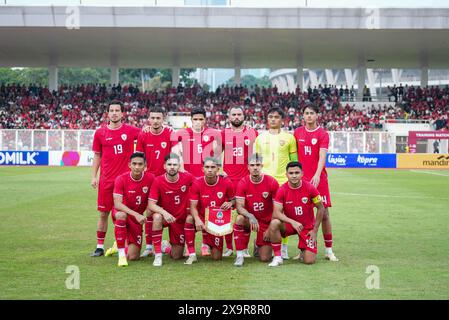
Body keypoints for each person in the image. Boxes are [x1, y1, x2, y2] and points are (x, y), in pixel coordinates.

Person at [90, 100, 141, 257]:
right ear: (107, 113)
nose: (114, 113)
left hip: (125, 182)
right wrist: (94, 176)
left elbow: (146, 134)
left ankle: (125, 244)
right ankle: (99, 246)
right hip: (106, 180)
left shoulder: (131, 130)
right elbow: (97, 156)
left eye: (117, 110)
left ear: (122, 113)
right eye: (111, 110)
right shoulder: (100, 133)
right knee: (103, 213)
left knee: (125, 214)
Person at [173, 107, 222, 256]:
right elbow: (176, 154)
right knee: (189, 214)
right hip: (189, 182)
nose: (198, 122)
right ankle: (189, 246)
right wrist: (183, 172)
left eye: (201, 119)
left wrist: (220, 171)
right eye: (195, 119)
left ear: (205, 120)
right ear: (191, 120)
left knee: (206, 212)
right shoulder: (183, 134)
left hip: (207, 182)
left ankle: (205, 244)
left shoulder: (213, 135)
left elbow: (217, 157)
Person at [294, 105, 338, 261]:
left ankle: (329, 250)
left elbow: (322, 156)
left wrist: (317, 175)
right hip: (302, 181)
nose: (309, 116)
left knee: (324, 213)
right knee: (304, 216)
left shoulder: (322, 134)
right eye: (306, 113)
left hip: (319, 180)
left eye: (312, 113)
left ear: (317, 115)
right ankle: (303, 249)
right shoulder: (297, 132)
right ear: (303, 116)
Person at [254, 106, 298, 260]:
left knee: (282, 215)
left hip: (282, 182)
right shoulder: (260, 138)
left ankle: (283, 247)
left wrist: (293, 179)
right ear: (267, 119)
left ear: (282, 120)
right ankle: (259, 242)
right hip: (264, 181)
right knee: (263, 212)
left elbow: (294, 162)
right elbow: (256, 161)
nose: (273, 119)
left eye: (276, 117)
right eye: (270, 116)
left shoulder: (289, 138)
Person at [136, 106, 178, 258]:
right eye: (152, 118)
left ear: (163, 119)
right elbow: (139, 158)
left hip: (165, 180)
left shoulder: (169, 133)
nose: (155, 121)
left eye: (158, 118)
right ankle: (149, 246)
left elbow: (174, 156)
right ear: (149, 118)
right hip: (148, 179)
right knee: (149, 212)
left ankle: (167, 243)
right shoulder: (143, 134)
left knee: (169, 210)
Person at [268, 161, 324, 267]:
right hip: (289, 225)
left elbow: (321, 208)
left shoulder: (310, 188)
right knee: (274, 223)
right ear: (286, 175)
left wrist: (315, 230)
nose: (294, 176)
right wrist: (292, 222)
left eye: (297, 173)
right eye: (291, 173)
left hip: (306, 227)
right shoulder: (282, 190)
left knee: (309, 260)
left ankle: (303, 249)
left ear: (302, 173)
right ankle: (277, 257)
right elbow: (276, 213)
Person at [220, 105, 258, 257]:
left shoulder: (252, 132)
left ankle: (245, 248)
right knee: (227, 214)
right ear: (229, 117)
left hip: (245, 182)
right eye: (233, 114)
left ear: (244, 116)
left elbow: (258, 154)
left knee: (245, 215)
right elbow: (216, 153)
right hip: (228, 181)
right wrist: (219, 170)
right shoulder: (223, 134)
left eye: (239, 114)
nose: (236, 117)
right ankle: (229, 247)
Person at [184, 157, 235, 264]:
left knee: (217, 258)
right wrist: (197, 219)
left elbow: (234, 199)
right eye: (207, 167)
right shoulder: (197, 183)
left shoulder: (226, 182)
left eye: (213, 167)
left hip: (216, 220)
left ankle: (210, 242)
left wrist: (231, 203)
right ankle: (192, 254)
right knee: (189, 219)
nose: (210, 170)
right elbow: (193, 207)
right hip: (201, 217)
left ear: (218, 169)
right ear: (202, 169)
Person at [148, 153, 195, 267]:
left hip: (179, 220)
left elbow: (202, 182)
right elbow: (151, 204)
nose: (172, 167)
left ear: (179, 166)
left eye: (175, 164)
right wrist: (165, 213)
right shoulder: (158, 181)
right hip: (165, 217)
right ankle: (158, 255)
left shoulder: (187, 177)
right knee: (157, 217)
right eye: (169, 164)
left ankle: (166, 247)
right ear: (164, 166)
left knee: (176, 256)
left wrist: (220, 175)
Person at [233, 154, 279, 266]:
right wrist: (250, 216)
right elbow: (239, 207)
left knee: (264, 258)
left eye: (258, 165)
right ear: (248, 167)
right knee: (239, 219)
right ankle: (239, 255)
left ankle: (257, 244)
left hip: (266, 222)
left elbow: (277, 209)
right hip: (250, 220)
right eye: (252, 165)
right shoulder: (243, 183)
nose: (255, 168)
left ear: (262, 166)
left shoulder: (271, 182)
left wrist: (269, 228)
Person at [112, 152, 155, 267]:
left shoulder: (151, 178)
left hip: (137, 219)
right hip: (123, 213)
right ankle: (121, 255)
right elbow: (117, 204)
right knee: (121, 215)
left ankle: (119, 244)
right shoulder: (121, 179)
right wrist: (136, 214)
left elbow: (154, 199)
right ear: (129, 165)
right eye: (134, 164)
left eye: (140, 164)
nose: (137, 167)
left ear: (145, 165)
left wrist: (149, 211)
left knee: (133, 257)